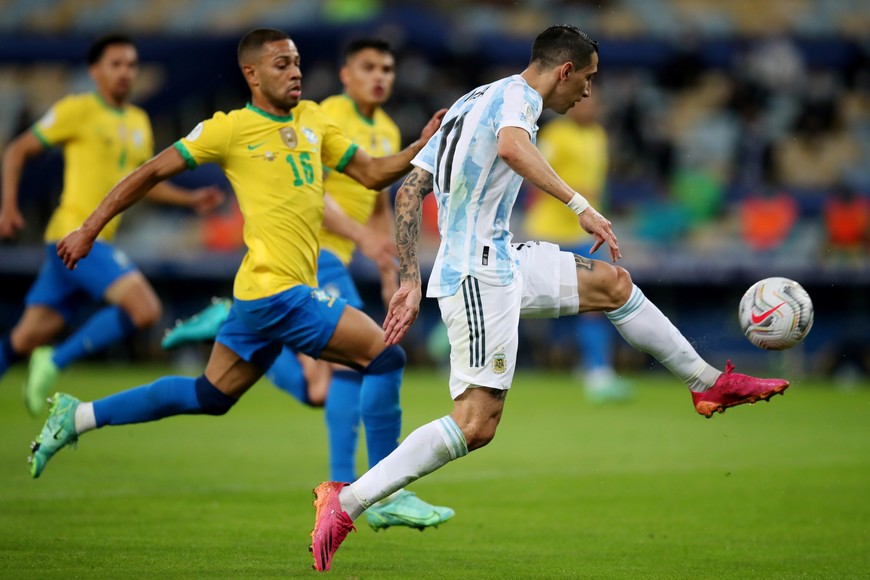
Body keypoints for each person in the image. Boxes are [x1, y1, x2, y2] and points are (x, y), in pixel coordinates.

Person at [308, 24, 790, 572]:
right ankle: (344, 502)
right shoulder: (518, 102)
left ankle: (709, 385)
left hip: (503, 256)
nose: (588, 92)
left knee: (614, 285)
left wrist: (411, 276)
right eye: (587, 79)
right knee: (475, 424)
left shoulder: (475, 98)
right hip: (476, 275)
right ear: (565, 72)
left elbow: (412, 190)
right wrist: (578, 203)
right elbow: (512, 149)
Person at [28, 29, 450, 536]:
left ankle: (77, 417)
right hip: (279, 291)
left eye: (296, 62)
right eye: (280, 64)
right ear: (250, 73)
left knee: (211, 395)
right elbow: (149, 172)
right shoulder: (229, 130)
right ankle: (384, 492)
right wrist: (89, 228)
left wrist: (419, 147)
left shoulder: (314, 121)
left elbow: (373, 173)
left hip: (256, 298)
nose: (294, 72)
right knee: (385, 355)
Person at [160, 38, 453, 530]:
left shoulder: (383, 127)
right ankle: (352, 488)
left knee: (325, 387)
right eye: (368, 67)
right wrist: (361, 235)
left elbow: (377, 197)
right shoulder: (321, 113)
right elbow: (311, 194)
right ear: (345, 75)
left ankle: (225, 320)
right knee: (363, 366)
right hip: (312, 256)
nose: (380, 76)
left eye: (387, 68)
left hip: (336, 263)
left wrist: (391, 271)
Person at [0, 34, 223, 416]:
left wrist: (189, 199)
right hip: (74, 234)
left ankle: (42, 356)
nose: (125, 73)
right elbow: (18, 149)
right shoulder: (77, 109)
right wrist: (8, 207)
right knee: (146, 309)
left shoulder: (137, 120)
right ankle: (54, 361)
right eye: (116, 64)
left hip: (89, 245)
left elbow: (141, 184)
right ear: (95, 71)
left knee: (24, 337)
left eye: (132, 65)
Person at [523, 91, 630, 402]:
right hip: (548, 232)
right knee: (513, 299)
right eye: (584, 101)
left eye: (595, 101)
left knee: (598, 302)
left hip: (584, 236)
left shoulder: (598, 135)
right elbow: (533, 172)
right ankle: (451, 338)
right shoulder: (556, 135)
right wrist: (573, 193)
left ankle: (596, 371)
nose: (590, 106)